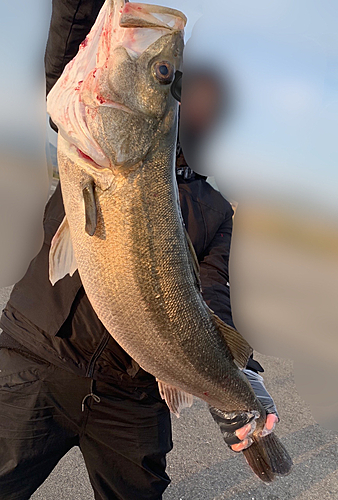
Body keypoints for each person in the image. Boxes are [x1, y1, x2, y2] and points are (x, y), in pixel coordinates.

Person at [0, 1, 279, 499]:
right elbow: (73, 50)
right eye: (177, 86)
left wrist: (241, 379)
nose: (196, 108)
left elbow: (211, 298)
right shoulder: (92, 126)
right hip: (39, 356)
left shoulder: (215, 209)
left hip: (133, 397)